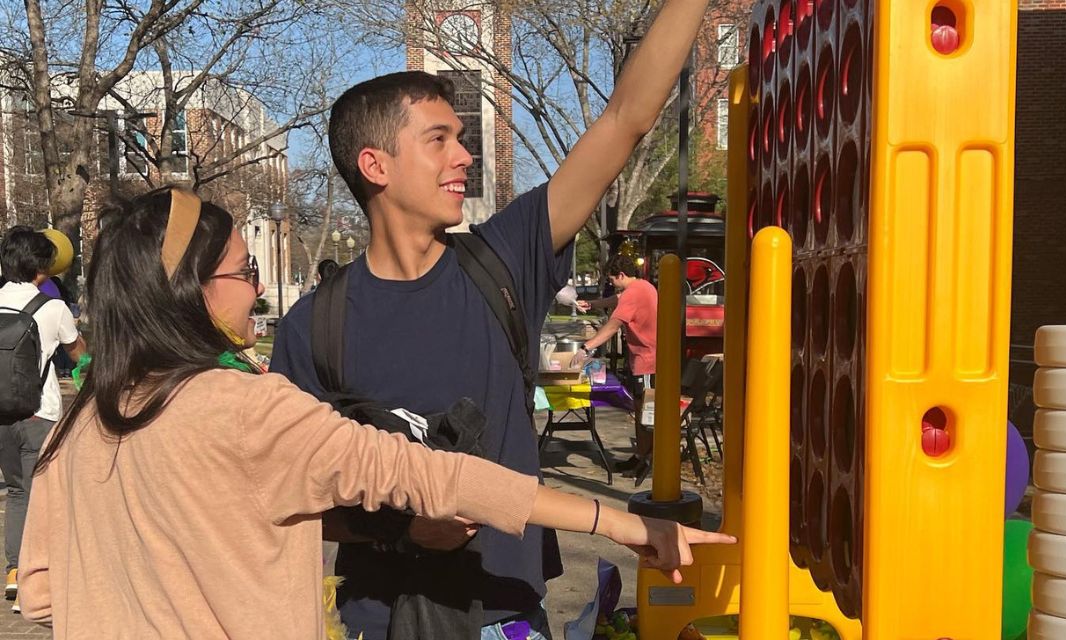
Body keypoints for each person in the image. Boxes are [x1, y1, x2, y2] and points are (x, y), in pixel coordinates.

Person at [17, 188, 733, 637]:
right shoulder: (245, 409)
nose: (256, 290)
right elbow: (437, 477)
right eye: (244, 270)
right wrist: (625, 523)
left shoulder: (80, 425)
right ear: (189, 290)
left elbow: (42, 592)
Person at [270, 2, 713, 637]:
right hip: (380, 621)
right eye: (439, 140)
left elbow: (626, 118)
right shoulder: (313, 326)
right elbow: (296, 499)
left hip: (507, 617)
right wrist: (404, 530)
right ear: (376, 166)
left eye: (462, 138)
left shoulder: (503, 260)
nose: (464, 156)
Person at [0, 227, 86, 612]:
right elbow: (78, 353)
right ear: (41, 267)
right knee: (46, 494)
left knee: (18, 492)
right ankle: (39, 582)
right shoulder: (53, 308)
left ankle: (15, 572)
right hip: (41, 413)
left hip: (2, 416)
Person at [573, 254, 658, 476]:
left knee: (645, 413)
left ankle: (648, 461)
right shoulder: (642, 287)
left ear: (621, 275)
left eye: (612, 280)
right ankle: (640, 455)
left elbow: (613, 325)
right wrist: (593, 304)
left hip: (647, 360)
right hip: (645, 359)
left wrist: (586, 348)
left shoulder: (634, 293)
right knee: (640, 410)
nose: (612, 284)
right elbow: (616, 300)